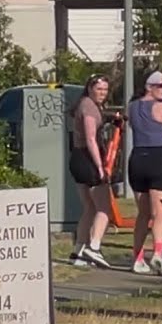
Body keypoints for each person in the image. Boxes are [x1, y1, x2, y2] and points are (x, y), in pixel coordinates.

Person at [127, 70, 162, 276]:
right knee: (159, 213)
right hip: (158, 158)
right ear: (149, 87)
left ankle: (137, 258)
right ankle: (157, 253)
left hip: (137, 158)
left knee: (143, 213)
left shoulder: (132, 107)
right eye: (160, 85)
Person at [67, 74, 113, 269]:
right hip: (87, 159)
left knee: (89, 208)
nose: (102, 93)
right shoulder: (88, 108)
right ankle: (93, 247)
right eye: (99, 89)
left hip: (78, 159)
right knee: (104, 208)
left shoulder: (86, 104)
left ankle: (77, 252)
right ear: (90, 88)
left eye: (105, 89)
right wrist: (100, 167)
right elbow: (91, 138)